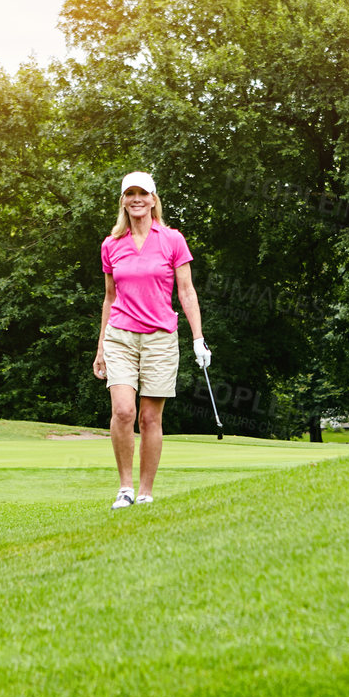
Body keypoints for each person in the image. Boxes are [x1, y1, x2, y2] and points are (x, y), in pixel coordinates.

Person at [92, 171, 210, 509]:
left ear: (154, 199)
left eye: (142, 193)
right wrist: (101, 347)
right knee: (124, 410)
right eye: (130, 194)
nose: (136, 199)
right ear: (123, 201)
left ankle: (145, 492)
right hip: (121, 337)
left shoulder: (172, 239)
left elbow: (186, 291)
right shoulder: (111, 244)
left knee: (149, 418)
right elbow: (109, 298)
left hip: (160, 337)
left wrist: (198, 338)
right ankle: (125, 488)